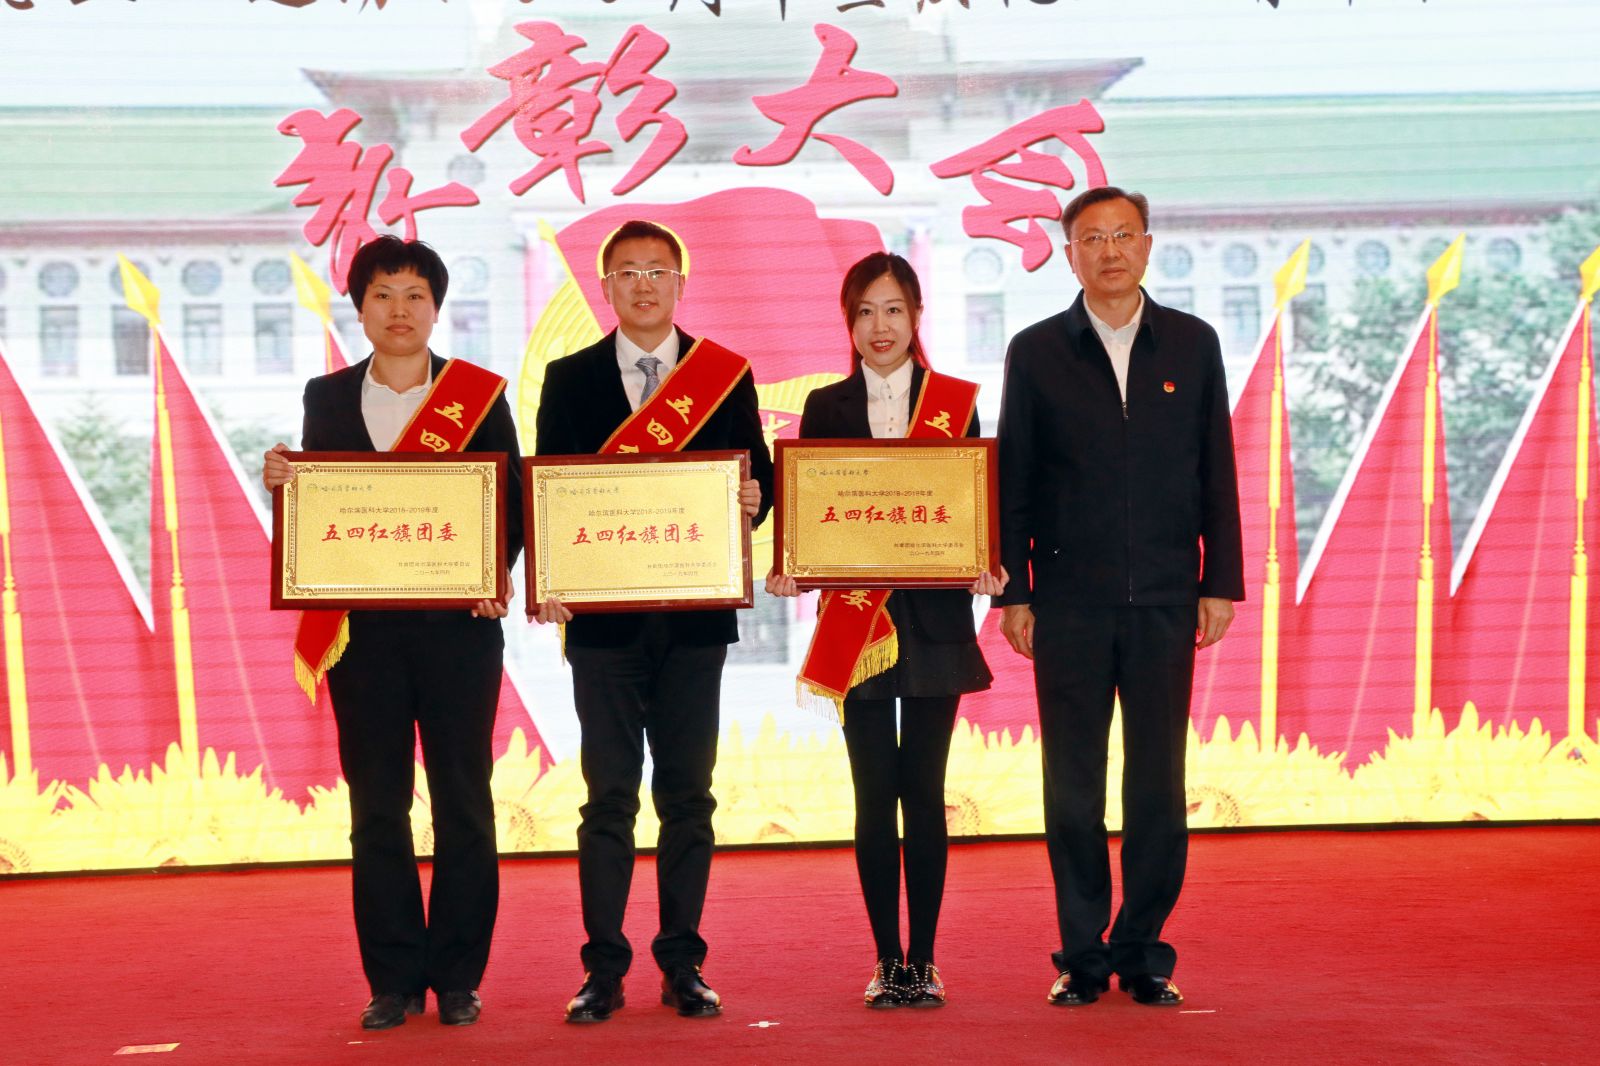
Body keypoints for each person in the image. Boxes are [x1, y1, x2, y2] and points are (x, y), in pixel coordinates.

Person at [262, 235, 520, 1030]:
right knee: (376, 808)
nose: (399, 310)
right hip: (364, 638)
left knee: (464, 804)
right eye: (382, 294)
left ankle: (459, 977)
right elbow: (327, 504)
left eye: (415, 295)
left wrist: (494, 572)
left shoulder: (477, 395)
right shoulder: (327, 395)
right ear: (360, 307)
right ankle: (393, 979)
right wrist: (284, 482)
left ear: (437, 308)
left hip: (459, 634)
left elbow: (510, 500)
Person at [994, 187, 1244, 1008]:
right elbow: (1015, 478)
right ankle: (1081, 955)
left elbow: (1217, 468)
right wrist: (1016, 592)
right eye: (1092, 238)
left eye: (1123, 235)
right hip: (1068, 601)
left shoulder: (1192, 343)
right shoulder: (1037, 351)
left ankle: (1143, 951)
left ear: (1147, 245)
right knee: (1072, 787)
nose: (1109, 250)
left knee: (1157, 787)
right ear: (1069, 254)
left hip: (1167, 597)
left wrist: (1220, 580)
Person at [531, 220, 773, 1023]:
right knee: (607, 800)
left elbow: (762, 481)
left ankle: (683, 963)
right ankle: (602, 970)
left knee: (687, 797)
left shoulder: (723, 375)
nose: (643, 284)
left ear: (680, 284)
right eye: (628, 272)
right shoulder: (569, 379)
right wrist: (551, 576)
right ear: (606, 288)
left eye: (657, 271)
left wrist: (755, 497)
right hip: (603, 631)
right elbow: (550, 492)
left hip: (694, 626)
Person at [766, 252, 1005, 1008]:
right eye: (865, 311)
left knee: (923, 792)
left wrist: (986, 561)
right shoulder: (825, 406)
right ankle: (885, 960)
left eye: (894, 309)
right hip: (856, 625)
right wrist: (791, 566)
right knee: (873, 795)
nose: (880, 325)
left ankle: (924, 960)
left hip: (934, 624)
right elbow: (809, 510)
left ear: (916, 316)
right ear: (849, 322)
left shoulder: (954, 404)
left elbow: (973, 503)